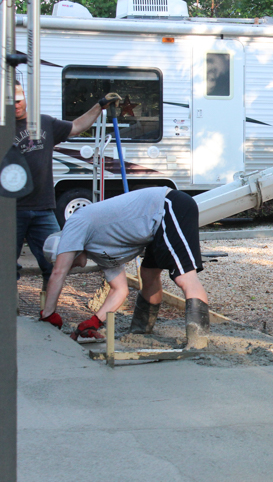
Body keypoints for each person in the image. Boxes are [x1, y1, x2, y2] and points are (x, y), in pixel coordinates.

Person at [38, 187, 211, 349]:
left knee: (184, 277)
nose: (72, 266)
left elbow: (58, 273)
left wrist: (48, 314)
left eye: (69, 260)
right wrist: (94, 322)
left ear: (69, 247)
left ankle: (198, 343)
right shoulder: (97, 251)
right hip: (154, 225)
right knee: (148, 274)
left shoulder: (76, 223)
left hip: (168, 205)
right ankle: (141, 332)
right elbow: (120, 290)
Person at [15, 81, 120, 288]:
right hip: (11, 210)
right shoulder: (3, 127)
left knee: (55, 260)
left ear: (25, 97)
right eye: (11, 101)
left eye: (19, 100)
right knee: (6, 266)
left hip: (43, 208)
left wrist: (99, 106)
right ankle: (10, 313)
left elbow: (77, 126)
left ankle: (47, 311)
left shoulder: (45, 123)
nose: (16, 104)